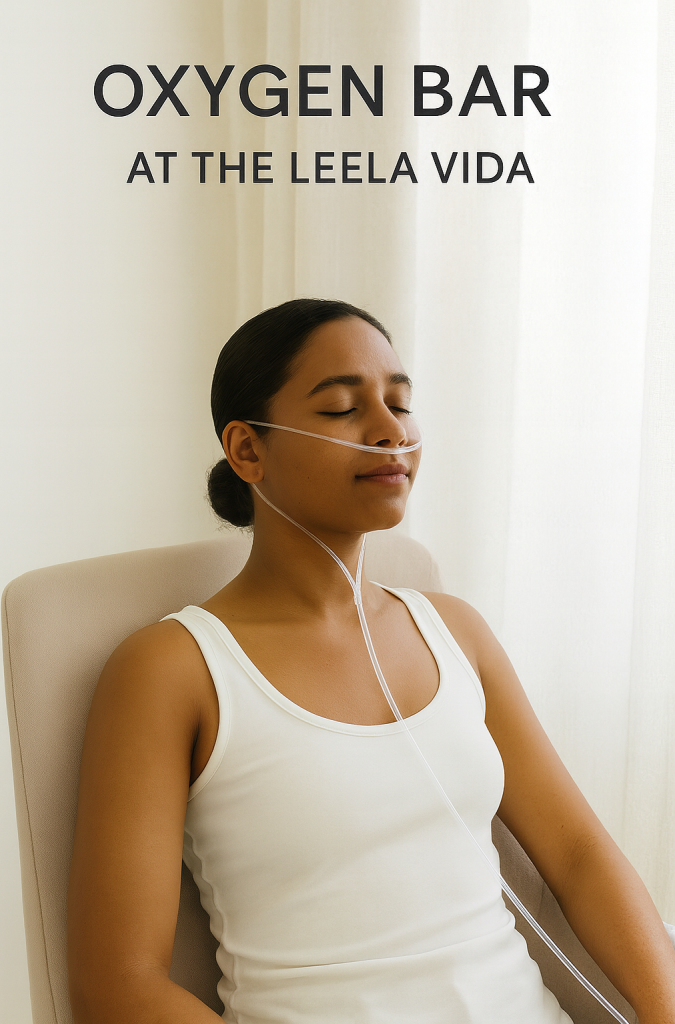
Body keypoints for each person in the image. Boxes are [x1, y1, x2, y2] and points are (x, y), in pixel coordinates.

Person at [67, 298, 675, 1024]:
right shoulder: (171, 668)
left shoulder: (454, 631)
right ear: (248, 450)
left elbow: (577, 854)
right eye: (340, 410)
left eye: (400, 403)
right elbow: (117, 986)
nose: (391, 432)